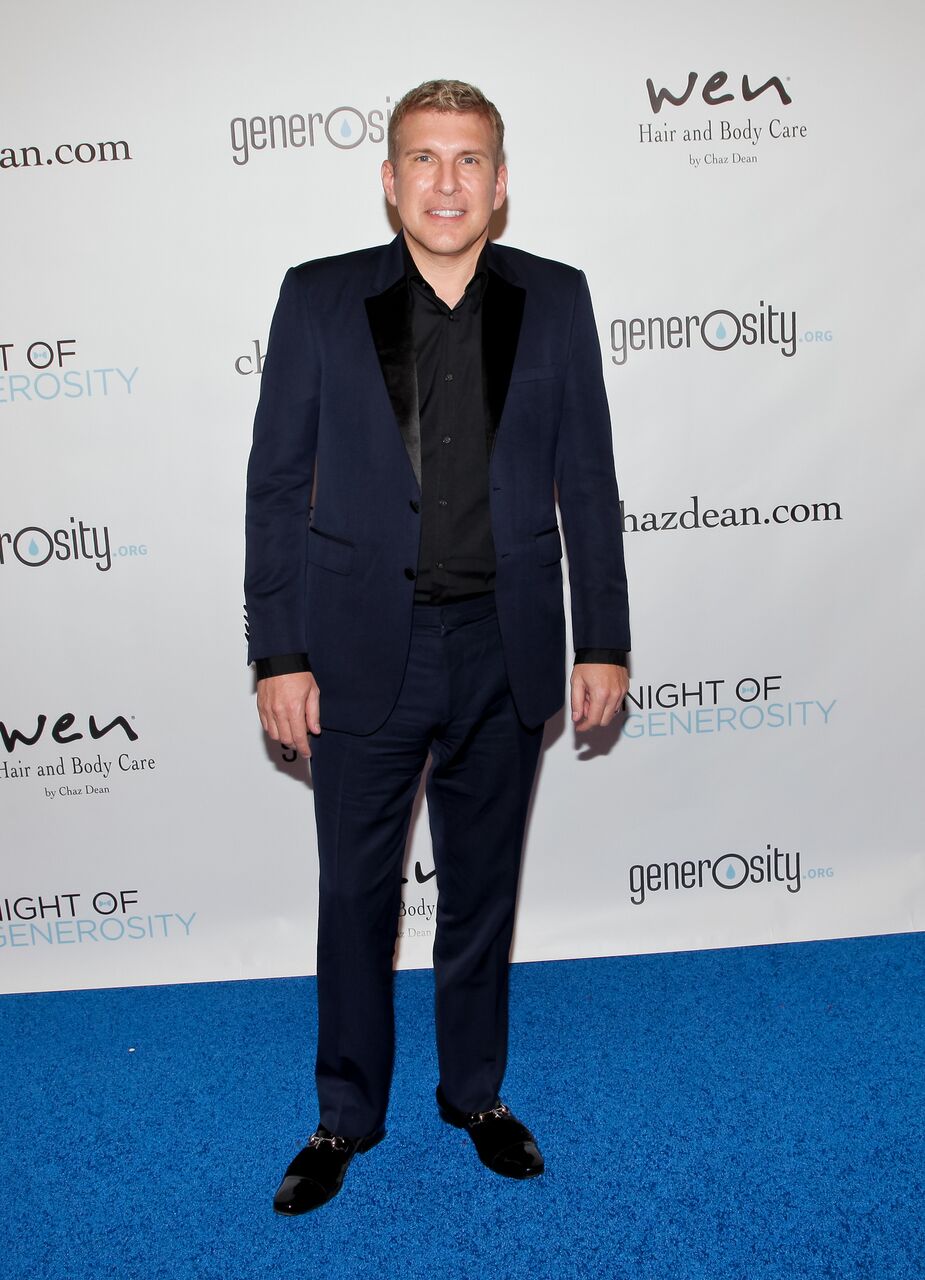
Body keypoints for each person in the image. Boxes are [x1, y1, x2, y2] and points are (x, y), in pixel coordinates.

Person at [244, 79, 630, 1215]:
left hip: (503, 644)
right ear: (389, 179)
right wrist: (278, 653)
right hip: (362, 644)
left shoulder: (556, 299)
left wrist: (600, 635)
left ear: (500, 184)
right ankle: (344, 1111)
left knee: (480, 891)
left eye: (469, 160)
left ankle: (475, 1094)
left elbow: (591, 483)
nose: (447, 180)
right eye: (424, 158)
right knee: (355, 891)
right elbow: (274, 488)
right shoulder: (317, 299)